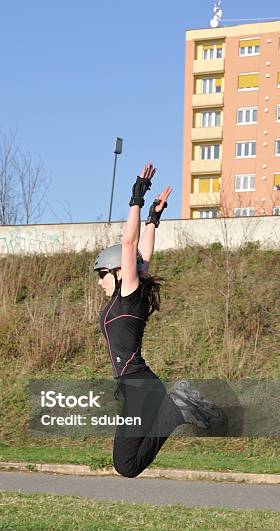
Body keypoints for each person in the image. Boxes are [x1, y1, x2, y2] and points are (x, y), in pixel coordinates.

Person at [94, 162, 222, 478]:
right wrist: (154, 218)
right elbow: (144, 257)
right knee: (127, 463)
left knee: (126, 465)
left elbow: (130, 245)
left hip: (139, 386)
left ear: (117, 271)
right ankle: (177, 407)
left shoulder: (129, 293)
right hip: (141, 386)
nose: (98, 281)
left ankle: (178, 408)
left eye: (101, 274)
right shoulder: (127, 296)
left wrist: (136, 196)